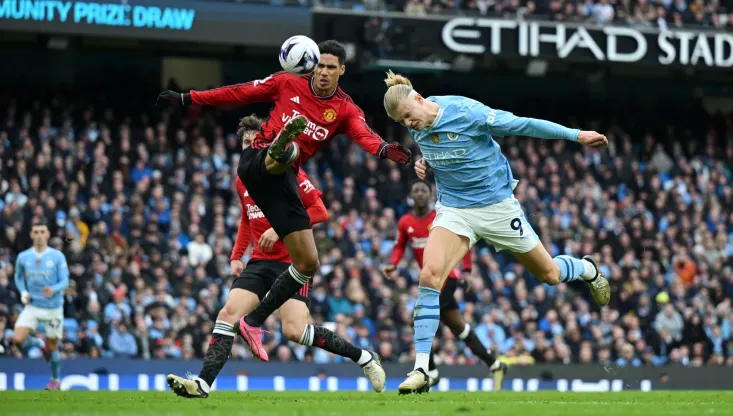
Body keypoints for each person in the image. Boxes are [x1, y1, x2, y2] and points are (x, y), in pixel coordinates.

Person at [157, 40, 411, 361]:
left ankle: (253, 324)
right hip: (257, 162)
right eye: (319, 65)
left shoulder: (344, 109)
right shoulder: (287, 81)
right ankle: (284, 143)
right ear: (311, 65)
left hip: (282, 184)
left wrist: (384, 149)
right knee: (284, 154)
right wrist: (188, 97)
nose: (323, 72)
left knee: (308, 263)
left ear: (341, 71)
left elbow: (363, 134)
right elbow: (238, 93)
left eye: (331, 67)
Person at [381, 71, 611, 394]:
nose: (409, 125)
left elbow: (523, 125)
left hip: (497, 207)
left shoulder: (466, 113)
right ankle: (421, 368)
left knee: (550, 273)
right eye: (402, 122)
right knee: (429, 276)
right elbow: (440, 150)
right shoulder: (417, 126)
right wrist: (424, 163)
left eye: (409, 116)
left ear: (419, 99)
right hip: (454, 212)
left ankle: (588, 269)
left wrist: (575, 135)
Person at [166, 115, 386, 398]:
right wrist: (236, 255)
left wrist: (280, 229)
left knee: (295, 331)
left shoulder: (289, 171)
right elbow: (247, 217)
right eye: (245, 143)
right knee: (227, 314)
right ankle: (202, 384)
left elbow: (319, 211)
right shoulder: (243, 178)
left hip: (293, 262)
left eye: (254, 141)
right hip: (259, 261)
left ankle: (364, 358)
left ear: (267, 142)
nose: (249, 147)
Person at [383, 181, 507, 391]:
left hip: (448, 277)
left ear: (431, 196)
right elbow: (399, 245)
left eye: (424, 190)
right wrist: (393, 264)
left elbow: (462, 240)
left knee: (421, 319)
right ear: (412, 196)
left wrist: (466, 270)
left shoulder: (439, 218)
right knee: (458, 327)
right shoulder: (405, 222)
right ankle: (495, 365)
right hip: (430, 281)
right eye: (416, 190)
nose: (420, 193)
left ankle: (430, 372)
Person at [12, 219, 70, 391]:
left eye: (42, 232)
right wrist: (23, 291)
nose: (39, 235)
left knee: (53, 347)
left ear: (48, 234)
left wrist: (54, 289)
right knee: (17, 339)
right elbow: (18, 277)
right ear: (31, 235)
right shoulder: (23, 257)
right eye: (35, 232)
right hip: (33, 306)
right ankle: (39, 343)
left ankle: (55, 380)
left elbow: (65, 280)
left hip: (53, 308)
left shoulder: (57, 256)